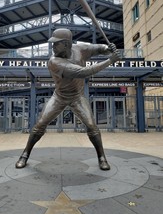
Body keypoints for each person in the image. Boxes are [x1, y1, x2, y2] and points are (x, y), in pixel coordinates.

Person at [15, 28, 121, 170]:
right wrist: (110, 60)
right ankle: (25, 155)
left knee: (91, 126)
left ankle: (102, 157)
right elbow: (84, 72)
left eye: (56, 43)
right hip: (59, 97)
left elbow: (98, 48)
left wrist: (108, 48)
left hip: (77, 97)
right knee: (40, 124)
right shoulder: (54, 61)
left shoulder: (80, 49)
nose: (52, 46)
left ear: (66, 44)